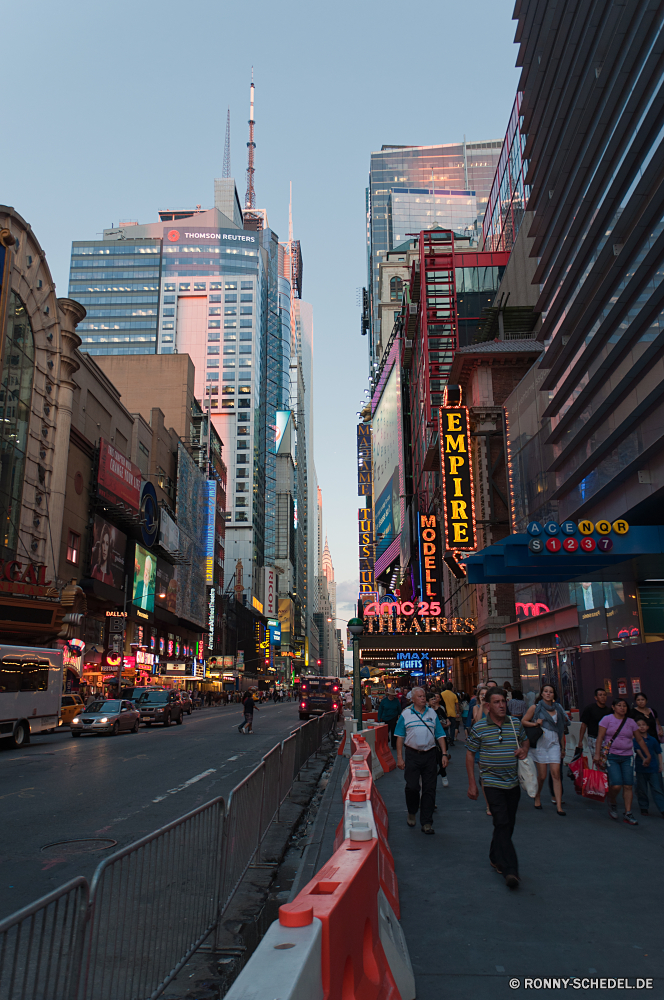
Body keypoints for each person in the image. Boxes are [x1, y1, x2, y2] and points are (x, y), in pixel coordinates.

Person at [466, 688, 529, 889]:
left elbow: (526, 741)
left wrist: (523, 750)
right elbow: (469, 755)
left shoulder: (515, 724)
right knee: (501, 821)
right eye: (497, 702)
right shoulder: (480, 728)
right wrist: (472, 784)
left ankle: (494, 855)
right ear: (488, 706)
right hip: (491, 782)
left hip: (513, 782)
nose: (501, 705)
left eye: (503, 701)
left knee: (507, 824)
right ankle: (511, 869)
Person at [395, 686, 448, 834]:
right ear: (412, 699)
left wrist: (444, 753)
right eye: (419, 696)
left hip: (430, 754)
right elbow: (399, 736)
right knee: (412, 787)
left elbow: (440, 734)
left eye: (424, 696)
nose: (423, 698)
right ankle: (412, 811)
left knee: (430, 789)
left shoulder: (432, 713)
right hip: (412, 755)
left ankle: (426, 822)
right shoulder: (406, 714)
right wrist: (400, 758)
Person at [594, 698, 650, 824]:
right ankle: (612, 801)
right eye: (619, 705)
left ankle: (628, 812)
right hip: (612, 755)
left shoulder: (631, 722)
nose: (622, 708)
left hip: (627, 756)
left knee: (628, 784)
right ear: (613, 707)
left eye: (624, 705)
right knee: (616, 783)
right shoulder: (607, 720)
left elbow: (639, 739)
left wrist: (647, 755)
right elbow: (600, 737)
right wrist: (597, 754)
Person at [522, 684, 570, 814]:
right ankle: (537, 796)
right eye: (546, 691)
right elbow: (524, 721)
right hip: (540, 744)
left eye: (551, 692)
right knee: (542, 776)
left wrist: (562, 747)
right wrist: (535, 723)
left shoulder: (558, 709)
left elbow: (560, 729)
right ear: (541, 694)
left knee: (556, 774)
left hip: (554, 743)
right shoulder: (535, 708)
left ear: (554, 694)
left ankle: (559, 805)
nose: (548, 694)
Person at [633, 717, 664, 816]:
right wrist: (644, 759)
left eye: (643, 725)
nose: (641, 727)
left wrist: (660, 765)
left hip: (653, 767)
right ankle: (644, 807)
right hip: (641, 768)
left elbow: (658, 752)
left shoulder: (653, 740)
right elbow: (637, 750)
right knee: (641, 789)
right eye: (638, 725)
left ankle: (662, 809)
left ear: (647, 727)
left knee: (657, 789)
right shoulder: (636, 740)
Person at [578, 687, 609, 763]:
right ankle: (600, 774)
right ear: (596, 697)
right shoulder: (589, 709)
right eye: (600, 695)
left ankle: (606, 774)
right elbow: (584, 725)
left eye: (604, 695)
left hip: (606, 738)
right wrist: (580, 740)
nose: (603, 697)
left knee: (606, 761)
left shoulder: (609, 710)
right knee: (598, 761)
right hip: (593, 738)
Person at [428, 692, 450, 787]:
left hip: (440, 736)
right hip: (430, 737)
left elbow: (447, 720)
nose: (434, 700)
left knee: (441, 757)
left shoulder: (440, 710)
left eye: (435, 698)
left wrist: (446, 724)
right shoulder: (427, 711)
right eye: (432, 699)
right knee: (433, 760)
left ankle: (443, 774)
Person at [441, 682, 459, 746]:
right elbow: (457, 705)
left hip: (445, 713)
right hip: (452, 713)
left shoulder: (442, 694)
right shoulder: (454, 695)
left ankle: (447, 738)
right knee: (452, 727)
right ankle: (451, 740)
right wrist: (458, 713)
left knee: (445, 727)